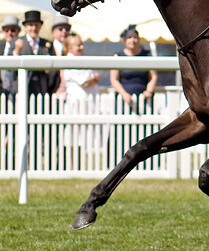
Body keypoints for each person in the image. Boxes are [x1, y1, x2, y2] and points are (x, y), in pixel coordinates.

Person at [61, 33, 102, 168]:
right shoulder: (69, 60)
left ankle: (80, 165)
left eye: (81, 45)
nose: (81, 47)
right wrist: (93, 78)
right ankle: (72, 165)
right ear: (69, 47)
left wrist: (93, 78)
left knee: (82, 137)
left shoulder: (81, 59)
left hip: (85, 104)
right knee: (73, 137)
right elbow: (86, 81)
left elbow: (95, 77)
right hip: (75, 104)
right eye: (78, 45)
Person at [110, 25, 157, 112]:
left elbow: (153, 77)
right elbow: (114, 79)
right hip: (123, 100)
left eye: (135, 37)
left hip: (145, 100)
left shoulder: (147, 55)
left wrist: (149, 91)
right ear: (124, 40)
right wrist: (124, 94)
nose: (132, 40)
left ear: (139, 39)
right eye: (129, 37)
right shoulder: (118, 56)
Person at [16, 10, 59, 94]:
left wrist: (49, 86)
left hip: (42, 88)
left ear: (40, 26)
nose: (34, 28)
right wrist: (16, 51)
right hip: (22, 88)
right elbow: (9, 70)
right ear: (25, 26)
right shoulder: (17, 42)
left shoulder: (47, 44)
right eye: (30, 25)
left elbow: (55, 69)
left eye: (36, 25)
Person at [51, 14, 72, 99]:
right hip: (53, 93)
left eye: (67, 29)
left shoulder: (72, 48)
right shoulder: (47, 48)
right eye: (60, 29)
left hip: (69, 94)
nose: (64, 31)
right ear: (53, 32)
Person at [1, 15, 21, 95]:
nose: (10, 33)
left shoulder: (23, 45)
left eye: (12, 30)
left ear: (17, 32)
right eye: (7, 30)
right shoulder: (1, 45)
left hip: (17, 90)